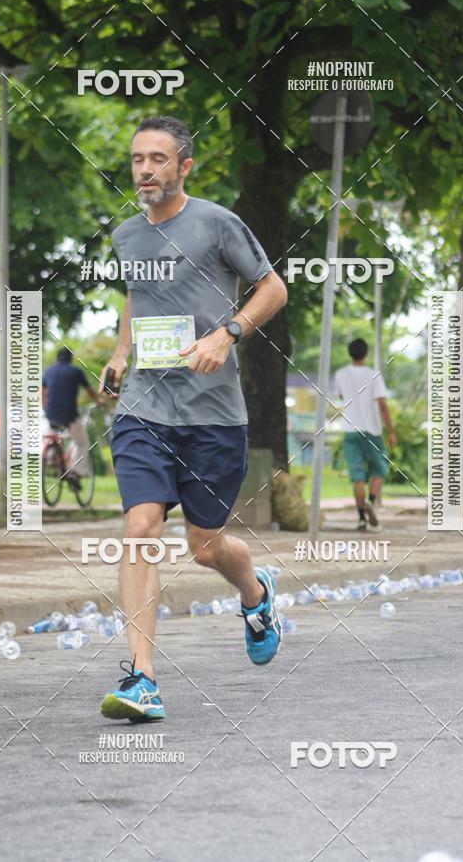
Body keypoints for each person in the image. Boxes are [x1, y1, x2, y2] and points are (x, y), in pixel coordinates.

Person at [99, 115, 287, 722]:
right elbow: (138, 297)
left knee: (205, 548)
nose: (145, 170)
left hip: (212, 415)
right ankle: (142, 679)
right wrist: (120, 354)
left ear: (183, 166)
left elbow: (273, 288)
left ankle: (255, 593)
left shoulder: (216, 224)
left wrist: (227, 334)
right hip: (145, 408)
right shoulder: (127, 235)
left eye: (158, 159)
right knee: (140, 529)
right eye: (137, 159)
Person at [333, 338, 396, 531]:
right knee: (379, 469)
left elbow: (341, 396)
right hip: (372, 431)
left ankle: (361, 518)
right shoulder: (373, 375)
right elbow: (383, 405)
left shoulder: (340, 374)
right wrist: (391, 432)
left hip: (350, 431)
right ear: (366, 353)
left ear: (350, 353)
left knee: (357, 475)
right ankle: (371, 501)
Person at [42, 347, 100, 487]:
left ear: (57, 358)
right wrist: (98, 401)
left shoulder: (48, 372)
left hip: (50, 416)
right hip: (70, 416)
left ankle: (52, 456)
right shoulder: (76, 372)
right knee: (82, 443)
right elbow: (89, 390)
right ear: (70, 359)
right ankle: (75, 472)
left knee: (51, 435)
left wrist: (45, 408)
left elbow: (42, 392)